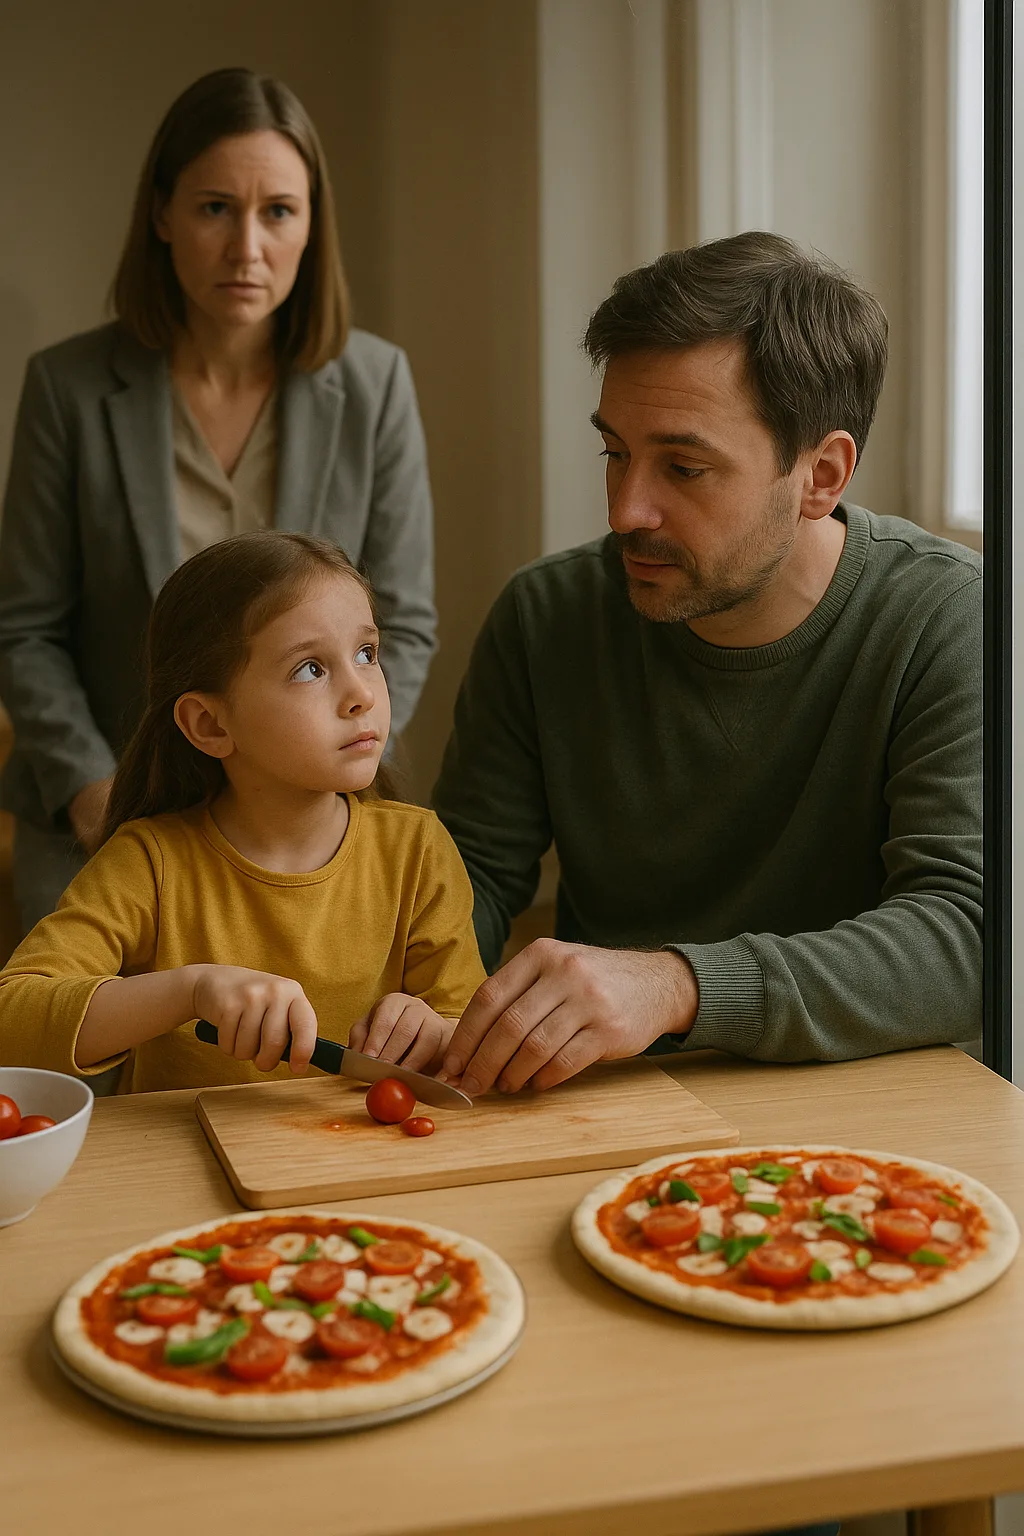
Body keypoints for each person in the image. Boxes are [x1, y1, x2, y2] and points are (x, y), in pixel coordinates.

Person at [432, 232, 982, 1100]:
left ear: (820, 475)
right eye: (614, 451)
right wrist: (419, 990)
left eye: (684, 467)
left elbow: (965, 941)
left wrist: (674, 985)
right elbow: (468, 877)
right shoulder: (545, 618)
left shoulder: (951, 620)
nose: (624, 510)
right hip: (612, 1106)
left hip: (877, 1112)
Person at [0, 68, 436, 935]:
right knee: (92, 1056)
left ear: (311, 226)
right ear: (161, 215)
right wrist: (95, 792)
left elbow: (406, 624)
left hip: (317, 822)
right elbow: (26, 628)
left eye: (278, 211)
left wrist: (329, 776)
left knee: (316, 1062)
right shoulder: (68, 387)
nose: (247, 247)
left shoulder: (376, 382)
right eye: (213, 209)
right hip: (110, 812)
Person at [0, 532, 482, 1093]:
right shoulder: (148, 862)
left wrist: (434, 1030)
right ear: (210, 725)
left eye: (367, 654)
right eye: (310, 669)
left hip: (363, 1165)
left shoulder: (418, 851)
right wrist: (190, 990)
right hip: (181, 1170)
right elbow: (14, 1019)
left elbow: (467, 1034)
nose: (362, 694)